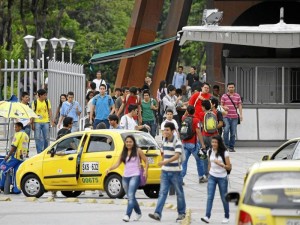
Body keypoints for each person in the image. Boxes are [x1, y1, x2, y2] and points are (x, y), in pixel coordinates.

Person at [149, 122, 186, 222]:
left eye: (167, 130)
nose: (165, 132)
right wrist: (163, 161)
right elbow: (163, 153)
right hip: (165, 172)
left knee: (179, 193)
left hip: (175, 172)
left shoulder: (177, 142)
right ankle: (157, 213)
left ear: (173, 131)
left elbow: (177, 155)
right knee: (162, 193)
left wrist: (165, 161)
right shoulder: (164, 141)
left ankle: (182, 213)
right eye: (164, 130)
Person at [106, 135, 149, 222]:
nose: (128, 143)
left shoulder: (138, 150)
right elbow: (117, 164)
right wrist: (109, 168)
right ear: (125, 143)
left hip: (135, 175)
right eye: (127, 142)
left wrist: (146, 171)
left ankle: (127, 215)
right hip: (125, 177)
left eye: (130, 142)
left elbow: (146, 160)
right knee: (131, 196)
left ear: (133, 143)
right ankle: (138, 213)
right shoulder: (123, 152)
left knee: (130, 196)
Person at [201, 135, 231, 224]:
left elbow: (229, 167)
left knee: (224, 197)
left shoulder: (224, 152)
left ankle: (226, 216)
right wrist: (209, 171)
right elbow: (209, 163)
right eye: (212, 142)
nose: (213, 144)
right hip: (212, 176)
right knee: (210, 197)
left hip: (222, 177)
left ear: (219, 143)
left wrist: (221, 164)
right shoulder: (210, 151)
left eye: (215, 142)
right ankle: (207, 216)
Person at [181, 106, 207, 184]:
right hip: (194, 144)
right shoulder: (196, 120)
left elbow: (184, 115)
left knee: (184, 162)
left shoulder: (184, 118)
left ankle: (181, 178)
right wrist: (202, 144)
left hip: (184, 143)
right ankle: (201, 177)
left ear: (187, 111)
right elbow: (198, 132)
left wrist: (186, 111)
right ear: (194, 111)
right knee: (200, 160)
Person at [0, 122, 29, 193]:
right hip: (22, 157)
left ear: (20, 127)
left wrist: (8, 156)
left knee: (3, 168)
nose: (15, 129)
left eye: (16, 127)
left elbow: (14, 146)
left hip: (16, 156)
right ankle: (16, 189)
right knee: (17, 172)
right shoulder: (26, 135)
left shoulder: (18, 134)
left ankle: (1, 185)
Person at [221, 82, 243, 152]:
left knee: (233, 133)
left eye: (232, 87)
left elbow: (239, 105)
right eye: (230, 87)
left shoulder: (237, 96)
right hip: (226, 116)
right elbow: (221, 105)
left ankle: (231, 147)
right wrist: (224, 107)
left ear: (234, 87)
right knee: (226, 130)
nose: (231, 88)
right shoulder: (224, 96)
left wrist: (241, 114)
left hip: (235, 117)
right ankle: (225, 146)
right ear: (227, 88)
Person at [31, 89, 54, 154]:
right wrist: (32, 124)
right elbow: (33, 113)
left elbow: (50, 111)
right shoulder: (35, 102)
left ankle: (45, 150)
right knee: (37, 137)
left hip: (46, 121)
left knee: (46, 138)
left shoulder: (47, 101)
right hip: (37, 122)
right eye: (44, 95)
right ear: (40, 96)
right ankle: (39, 152)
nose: (45, 96)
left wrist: (51, 120)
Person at [17, 92, 32, 156]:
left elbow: (32, 114)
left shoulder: (29, 105)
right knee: (20, 139)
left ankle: (26, 152)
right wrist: (17, 121)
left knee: (27, 139)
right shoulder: (18, 105)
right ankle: (19, 152)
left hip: (27, 124)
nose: (27, 98)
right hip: (20, 124)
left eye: (28, 97)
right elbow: (15, 114)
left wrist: (31, 121)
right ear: (22, 97)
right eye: (26, 97)